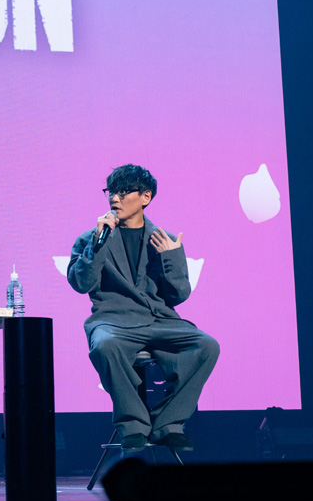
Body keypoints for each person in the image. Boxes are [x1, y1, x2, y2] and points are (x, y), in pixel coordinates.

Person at [67, 164, 220, 452]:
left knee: (207, 346)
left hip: (159, 320)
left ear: (145, 197)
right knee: (104, 345)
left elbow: (177, 295)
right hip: (113, 320)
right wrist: (97, 245)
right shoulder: (90, 238)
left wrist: (171, 257)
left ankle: (168, 424)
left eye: (124, 192)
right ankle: (133, 425)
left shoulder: (164, 239)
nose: (115, 198)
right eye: (111, 192)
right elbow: (81, 283)